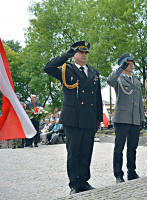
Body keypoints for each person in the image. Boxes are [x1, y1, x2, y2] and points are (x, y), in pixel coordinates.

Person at [44, 41, 103, 194]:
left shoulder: (94, 72)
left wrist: (99, 119)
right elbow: (48, 67)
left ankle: (84, 181)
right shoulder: (66, 69)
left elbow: (98, 97)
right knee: (73, 151)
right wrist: (66, 55)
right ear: (75, 55)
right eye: (81, 52)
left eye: (86, 53)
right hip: (73, 117)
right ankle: (74, 184)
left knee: (86, 151)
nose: (84, 55)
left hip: (90, 118)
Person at [107, 53, 145, 184]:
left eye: (132, 62)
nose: (131, 65)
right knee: (119, 148)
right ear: (123, 64)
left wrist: (142, 118)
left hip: (134, 118)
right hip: (122, 118)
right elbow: (109, 80)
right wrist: (119, 69)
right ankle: (118, 174)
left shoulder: (137, 82)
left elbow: (140, 101)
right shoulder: (117, 79)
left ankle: (132, 172)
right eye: (128, 63)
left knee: (132, 147)